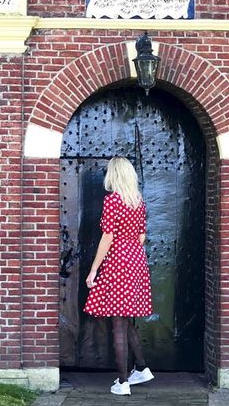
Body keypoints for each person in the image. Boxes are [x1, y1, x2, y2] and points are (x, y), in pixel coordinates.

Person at [83, 156, 155, 396]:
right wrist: (131, 248)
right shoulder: (139, 201)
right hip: (136, 259)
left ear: (113, 175)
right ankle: (142, 368)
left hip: (118, 261)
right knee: (124, 317)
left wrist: (94, 268)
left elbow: (107, 237)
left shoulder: (113, 201)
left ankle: (123, 382)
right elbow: (142, 237)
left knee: (117, 323)